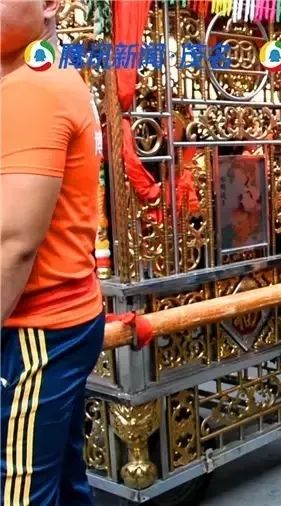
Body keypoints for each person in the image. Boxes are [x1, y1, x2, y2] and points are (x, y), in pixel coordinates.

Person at [1, 1, 104, 503]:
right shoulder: (47, 79)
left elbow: (13, 244)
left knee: (18, 489)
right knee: (59, 479)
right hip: (60, 318)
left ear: (49, 6)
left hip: (31, 327)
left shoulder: (31, 88)